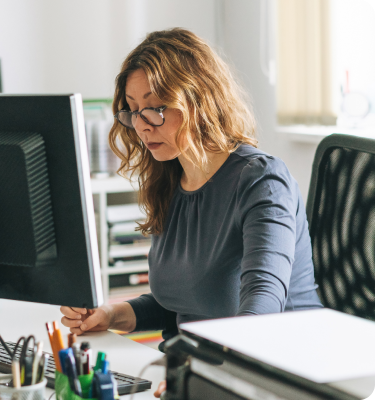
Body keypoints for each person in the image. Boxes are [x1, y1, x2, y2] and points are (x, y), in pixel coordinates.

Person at [60, 28, 323, 398]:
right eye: (133, 111)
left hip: (276, 374)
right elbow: (181, 304)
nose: (141, 125)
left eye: (155, 108)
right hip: (194, 368)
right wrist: (111, 314)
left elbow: (262, 310)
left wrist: (200, 377)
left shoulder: (262, 180)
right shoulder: (171, 180)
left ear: (199, 99)